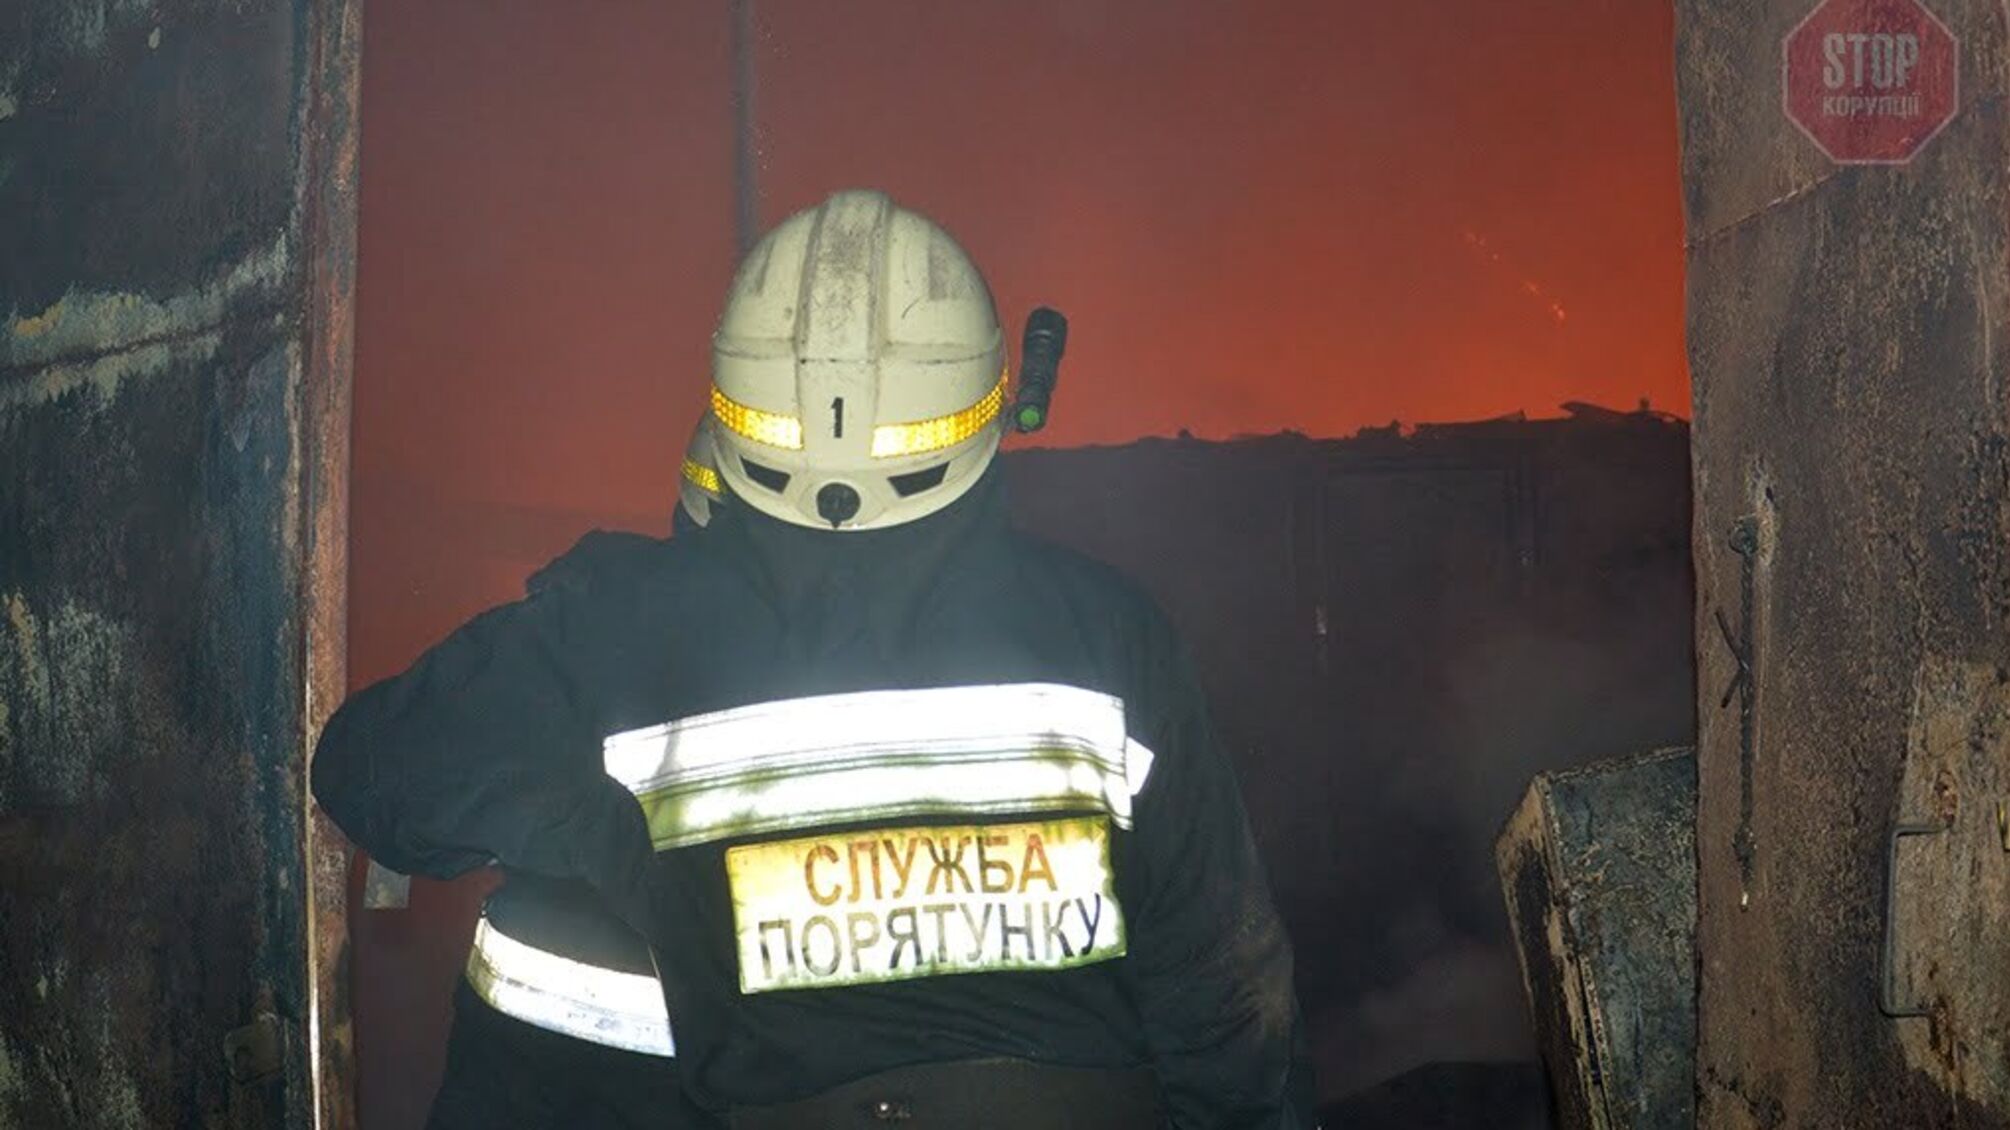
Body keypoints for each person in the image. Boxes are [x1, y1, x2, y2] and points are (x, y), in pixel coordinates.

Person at [314, 188, 1315, 1128]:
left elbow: (370, 770)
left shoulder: (613, 628)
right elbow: (1229, 998)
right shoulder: (1113, 636)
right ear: (992, 396)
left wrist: (595, 822)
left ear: (730, 403)